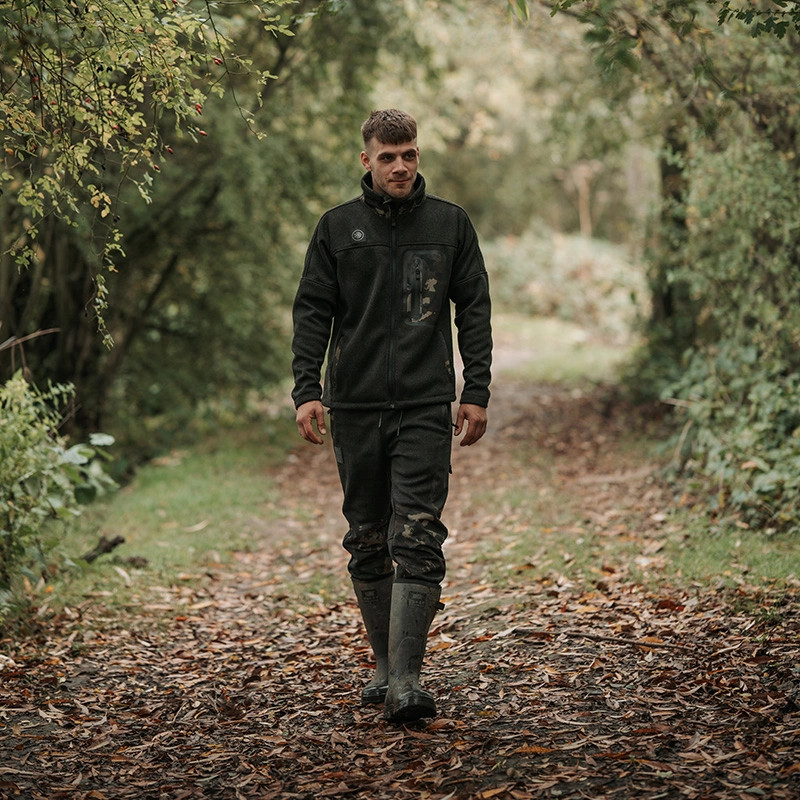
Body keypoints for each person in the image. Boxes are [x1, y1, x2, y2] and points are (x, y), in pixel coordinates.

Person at [291, 109, 492, 723]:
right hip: (353, 406)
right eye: (388, 156)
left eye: (408, 154)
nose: (400, 166)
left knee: (419, 534)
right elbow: (313, 311)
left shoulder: (450, 224)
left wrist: (476, 389)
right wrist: (306, 390)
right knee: (367, 537)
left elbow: (474, 308)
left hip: (424, 405)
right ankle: (383, 665)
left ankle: (407, 680)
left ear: (418, 154)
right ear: (367, 160)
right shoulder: (337, 228)